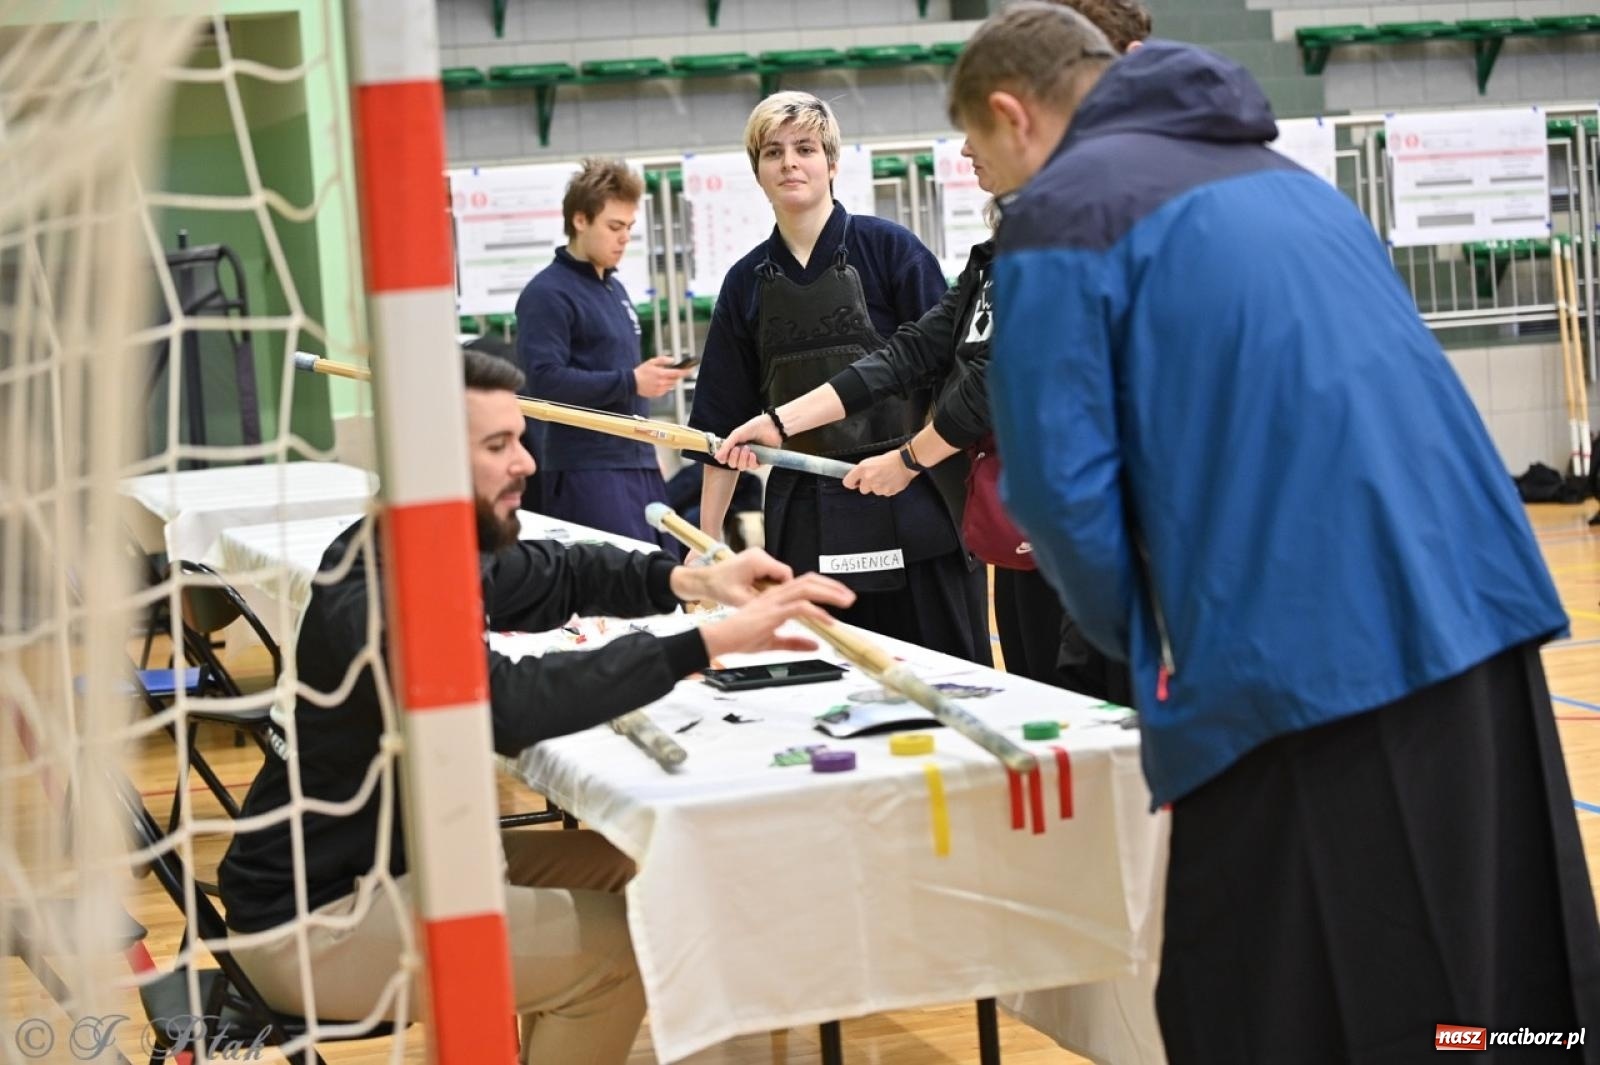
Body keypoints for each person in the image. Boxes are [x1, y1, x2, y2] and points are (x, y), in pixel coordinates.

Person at [952, 5, 1600, 1061]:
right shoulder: (1284, 178)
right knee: (1496, 982)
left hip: (1299, 654)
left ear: (1012, 114)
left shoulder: (1064, 209)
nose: (980, 171)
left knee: (1282, 997)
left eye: (976, 148)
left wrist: (1152, 647)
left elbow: (1059, 492)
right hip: (1479, 608)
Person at [218, 350, 854, 1065]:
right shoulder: (379, 594)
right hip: (313, 922)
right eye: (497, 446)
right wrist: (708, 640)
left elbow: (559, 571)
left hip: (395, 863)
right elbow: (514, 703)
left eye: (519, 438)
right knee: (615, 955)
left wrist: (696, 577)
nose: (526, 462)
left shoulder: (427, 540)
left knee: (644, 868)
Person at [715, 0, 1149, 694]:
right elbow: (911, 351)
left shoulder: (1068, 225)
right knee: (1043, 694)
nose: (966, 150)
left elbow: (981, 377)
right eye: (774, 151)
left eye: (976, 129)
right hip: (1019, 519)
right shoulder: (999, 246)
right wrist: (777, 423)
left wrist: (908, 458)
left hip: (1090, 516)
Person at [689, 91, 990, 665]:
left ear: (832, 161)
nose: (789, 163)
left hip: (913, 501)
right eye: (773, 152)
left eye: (805, 148)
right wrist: (709, 543)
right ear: (757, 171)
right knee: (831, 688)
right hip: (806, 520)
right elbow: (720, 430)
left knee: (950, 676)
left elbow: (955, 378)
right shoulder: (743, 283)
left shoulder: (891, 250)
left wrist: (919, 465)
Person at [514, 158, 686, 552]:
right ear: (580, 220)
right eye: (613, 227)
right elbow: (542, 381)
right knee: (617, 589)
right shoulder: (547, 294)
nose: (624, 238)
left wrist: (646, 381)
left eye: (628, 228)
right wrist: (630, 381)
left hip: (637, 459)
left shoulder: (615, 289)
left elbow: (619, 376)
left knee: (664, 576)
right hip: (587, 468)